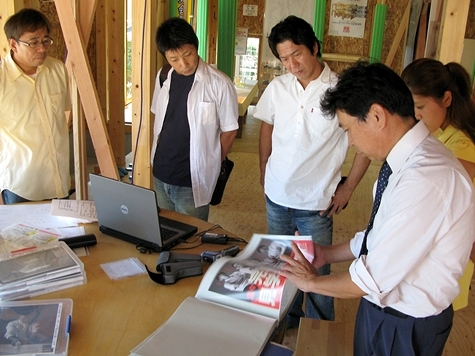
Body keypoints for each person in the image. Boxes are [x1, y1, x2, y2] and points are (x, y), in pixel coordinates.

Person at [280, 61, 475, 356]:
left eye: (349, 129)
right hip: (384, 309)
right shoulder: (406, 161)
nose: (351, 142)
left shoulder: (425, 179)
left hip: (405, 322)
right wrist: (328, 254)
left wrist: (311, 284)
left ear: (376, 115)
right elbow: (381, 235)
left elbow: (373, 277)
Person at [253, 15, 370, 324]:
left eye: (297, 54)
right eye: (284, 58)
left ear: (314, 48)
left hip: (316, 203)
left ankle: (318, 335)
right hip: (276, 197)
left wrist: (348, 188)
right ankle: (285, 326)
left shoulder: (341, 90)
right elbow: (267, 125)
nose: (292, 64)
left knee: (317, 275)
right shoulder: (278, 87)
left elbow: (365, 145)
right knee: (279, 269)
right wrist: (263, 166)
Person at [401, 58, 475, 311]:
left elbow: (431, 187)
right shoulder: (436, 132)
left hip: (445, 257)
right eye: (411, 106)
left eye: (420, 105)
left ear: (446, 99)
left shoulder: (462, 145)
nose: (415, 114)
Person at [150, 17, 238, 221]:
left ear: (195, 46)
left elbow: (230, 130)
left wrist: (212, 161)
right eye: (174, 59)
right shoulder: (163, 77)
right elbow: (159, 117)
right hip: (161, 172)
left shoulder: (219, 83)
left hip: (192, 179)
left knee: (193, 238)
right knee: (165, 231)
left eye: (187, 54)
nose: (183, 64)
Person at [0, 8, 72, 204]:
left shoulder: (57, 69)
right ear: (13, 44)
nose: (42, 48)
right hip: (21, 185)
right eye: (33, 42)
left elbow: (63, 114)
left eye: (46, 40)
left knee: (62, 235)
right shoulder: (2, 80)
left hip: (59, 181)